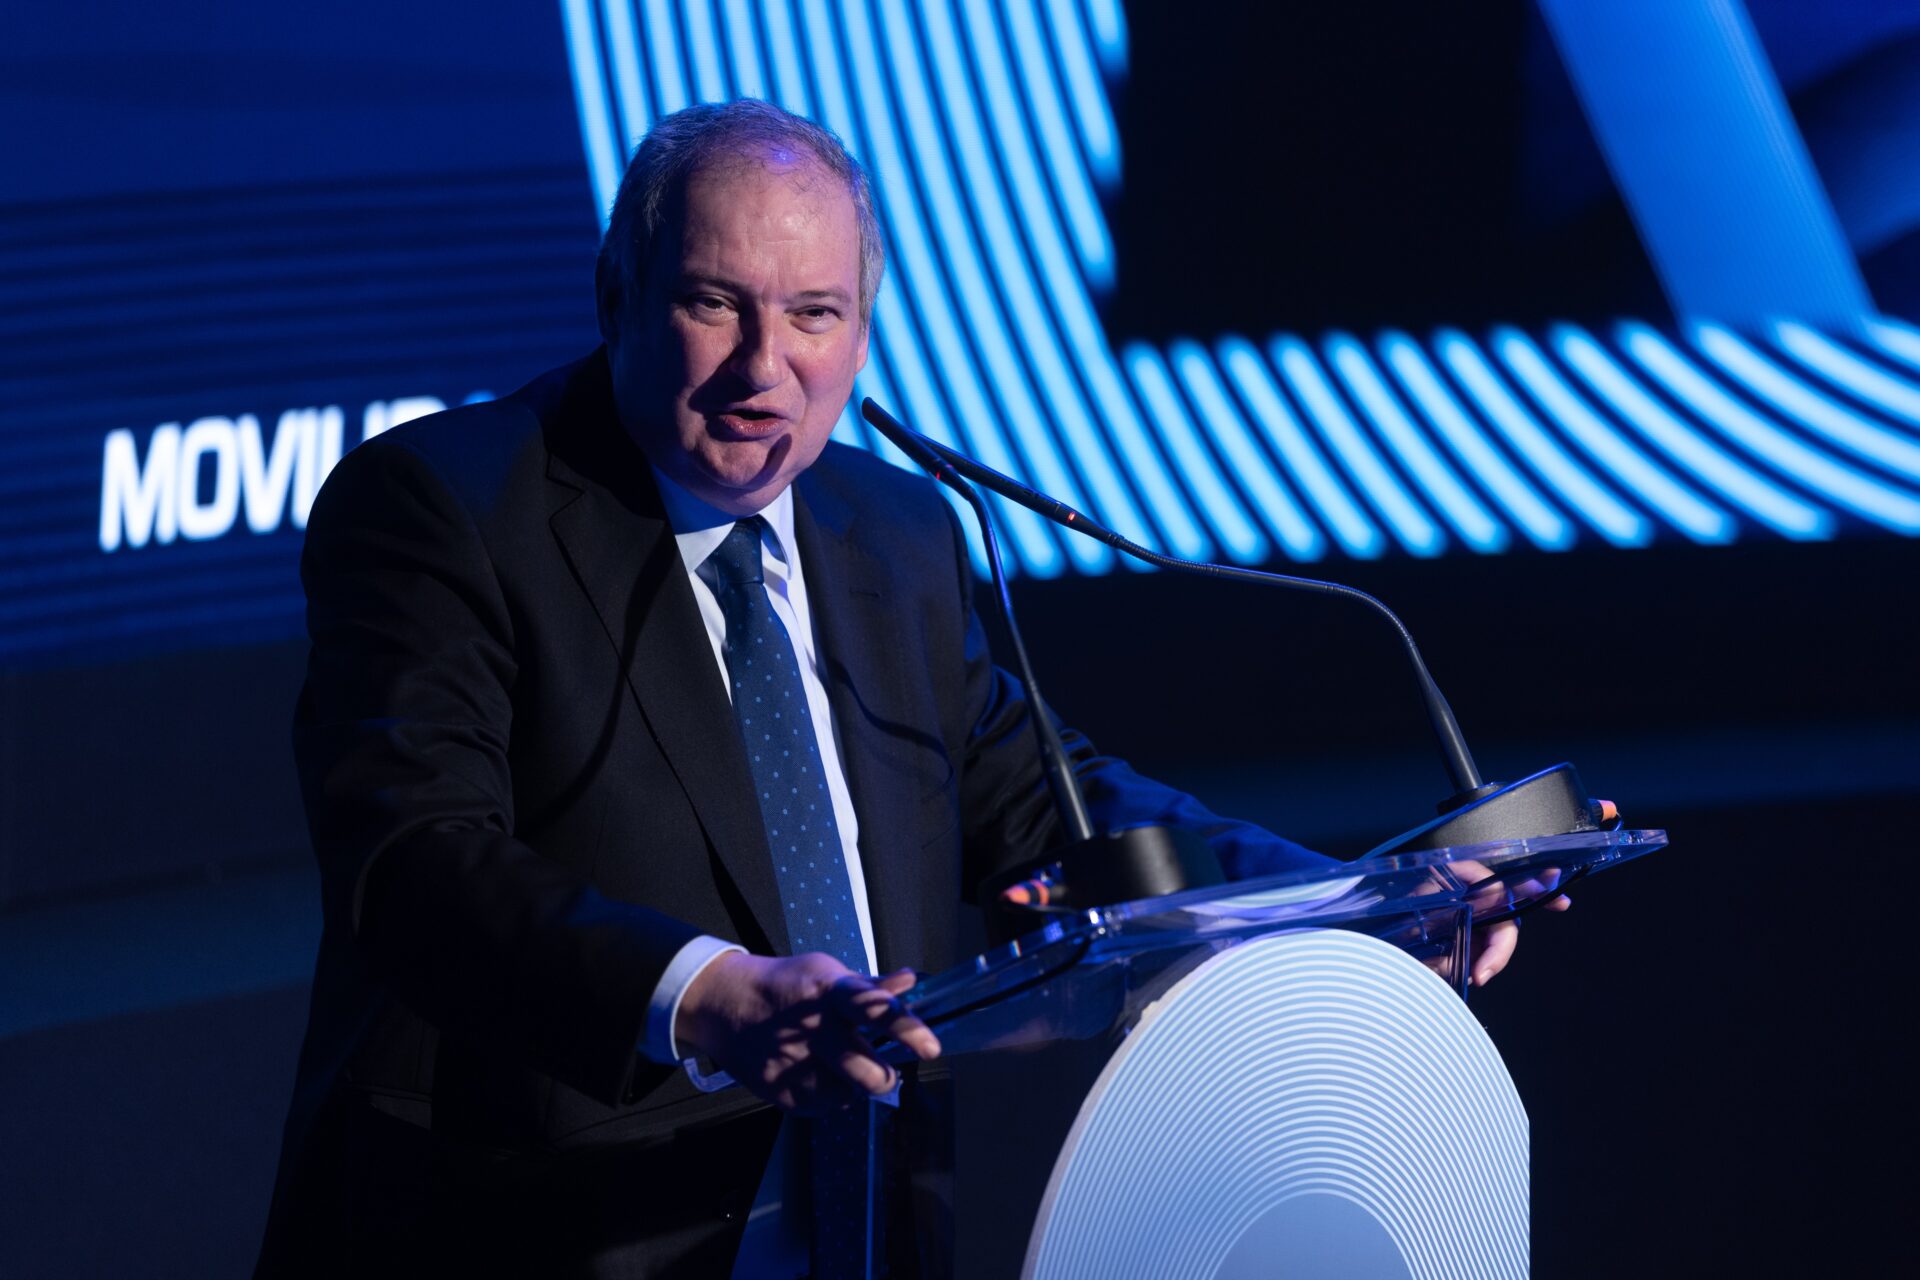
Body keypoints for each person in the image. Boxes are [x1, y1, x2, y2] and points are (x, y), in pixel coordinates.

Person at [255, 99, 1530, 1278]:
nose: (765, 366)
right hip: (534, 1232)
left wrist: (1351, 902)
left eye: (813, 314)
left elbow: (1047, 805)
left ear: (862, 333)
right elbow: (417, 863)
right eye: (715, 303)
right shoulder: (447, 505)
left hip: (863, 1213)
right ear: (617, 294)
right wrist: (705, 995)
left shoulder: (898, 530)